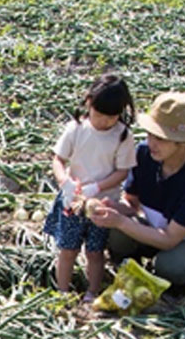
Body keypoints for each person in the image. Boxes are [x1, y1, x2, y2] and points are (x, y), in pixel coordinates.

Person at [89, 91, 185, 294]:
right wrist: (114, 209)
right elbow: (132, 203)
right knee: (116, 233)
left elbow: (170, 239)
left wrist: (121, 221)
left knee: (170, 266)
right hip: (155, 230)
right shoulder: (145, 154)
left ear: (183, 142)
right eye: (150, 134)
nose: (151, 142)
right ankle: (128, 273)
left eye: (160, 138)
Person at [43, 74, 138, 301]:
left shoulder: (123, 136)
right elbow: (58, 159)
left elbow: (123, 172)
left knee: (95, 252)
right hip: (72, 202)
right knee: (67, 250)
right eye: (99, 114)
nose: (104, 121)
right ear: (89, 102)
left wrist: (96, 188)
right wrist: (64, 182)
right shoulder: (76, 129)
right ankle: (62, 292)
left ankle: (92, 292)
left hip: (101, 204)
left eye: (111, 117)